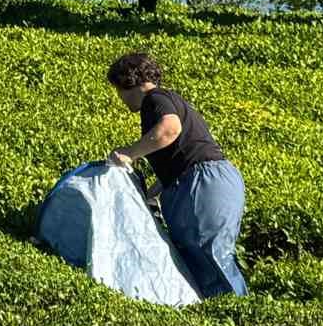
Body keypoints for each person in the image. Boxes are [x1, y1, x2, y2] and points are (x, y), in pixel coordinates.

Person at [106, 52, 249, 298]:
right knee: (205, 258)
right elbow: (180, 157)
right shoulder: (169, 100)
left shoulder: (155, 98)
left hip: (204, 182)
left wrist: (129, 153)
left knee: (209, 255)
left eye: (118, 90)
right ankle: (223, 309)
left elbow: (170, 129)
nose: (119, 97)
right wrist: (149, 195)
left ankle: (232, 312)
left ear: (128, 81)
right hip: (212, 180)